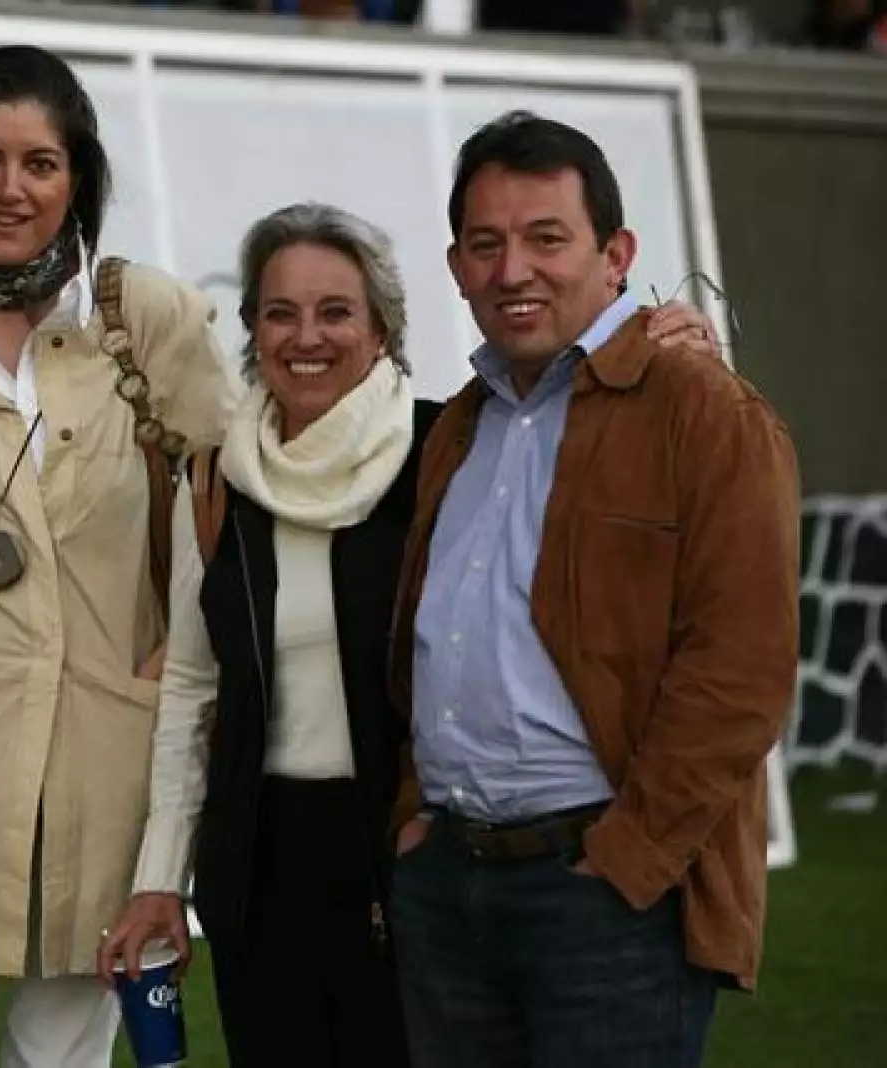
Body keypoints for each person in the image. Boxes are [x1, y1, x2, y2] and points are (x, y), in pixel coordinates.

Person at [95, 195, 721, 1064]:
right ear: (252, 330)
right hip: (258, 872)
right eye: (280, 313)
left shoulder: (449, 448)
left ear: (382, 328)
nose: (306, 336)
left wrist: (670, 354)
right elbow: (194, 697)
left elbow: (588, 423)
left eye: (335, 312)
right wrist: (160, 878)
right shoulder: (212, 484)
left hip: (412, 858)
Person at [386, 110, 800, 1068]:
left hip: (606, 895)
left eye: (546, 239)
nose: (512, 270)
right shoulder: (461, 424)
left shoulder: (705, 413)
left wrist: (629, 862)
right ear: (455, 265)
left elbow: (740, 673)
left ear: (616, 253)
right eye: (485, 245)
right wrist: (416, 814)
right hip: (448, 884)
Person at [0, 45, 237, 1068]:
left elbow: (239, 495)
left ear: (79, 177)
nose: (9, 188)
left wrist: (190, 653)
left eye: (39, 162)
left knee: (61, 1060)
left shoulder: (140, 315)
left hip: (108, 760)